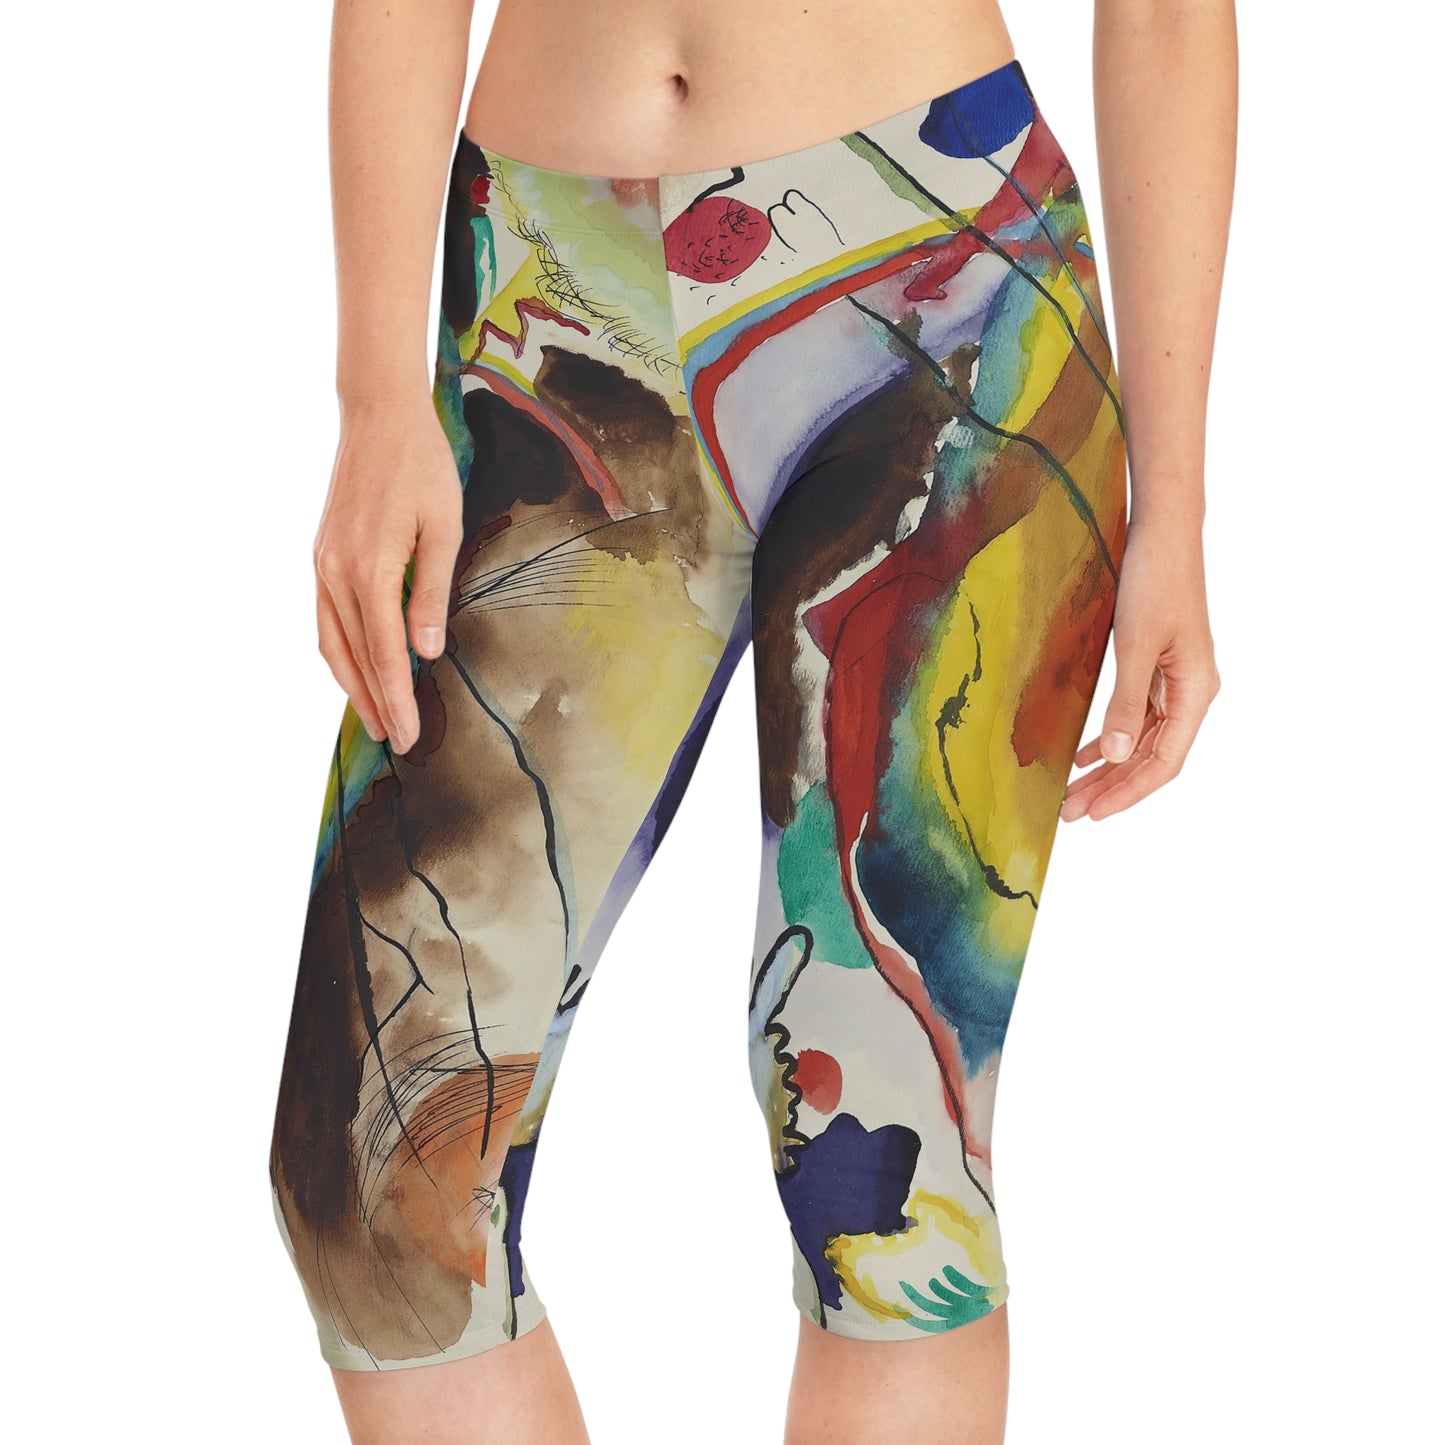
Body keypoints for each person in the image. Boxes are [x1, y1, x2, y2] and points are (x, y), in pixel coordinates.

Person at [267, 0, 1234, 1440]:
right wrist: (371, 399)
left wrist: (1178, 510)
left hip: (947, 285)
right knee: (369, 1169)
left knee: (877, 1152)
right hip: (547, 286)